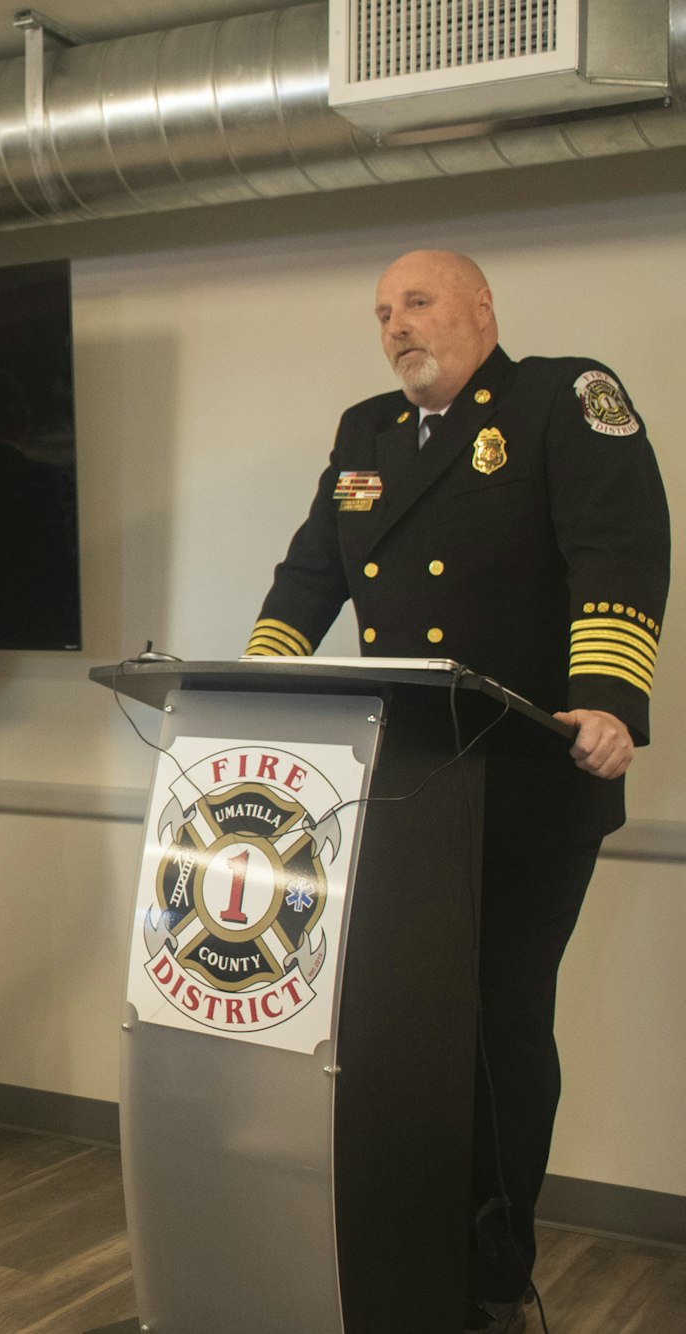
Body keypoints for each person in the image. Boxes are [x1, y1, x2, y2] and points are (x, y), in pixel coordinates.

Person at [246, 250, 669, 1333]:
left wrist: (607, 698)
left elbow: (617, 546)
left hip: (526, 780)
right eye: (382, 311)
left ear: (481, 307)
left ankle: (489, 1267)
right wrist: (252, 681)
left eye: (418, 302)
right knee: (398, 1025)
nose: (396, 325)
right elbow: (311, 572)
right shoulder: (366, 431)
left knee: (496, 1023)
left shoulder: (561, 399)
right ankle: (404, 1242)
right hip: (402, 787)